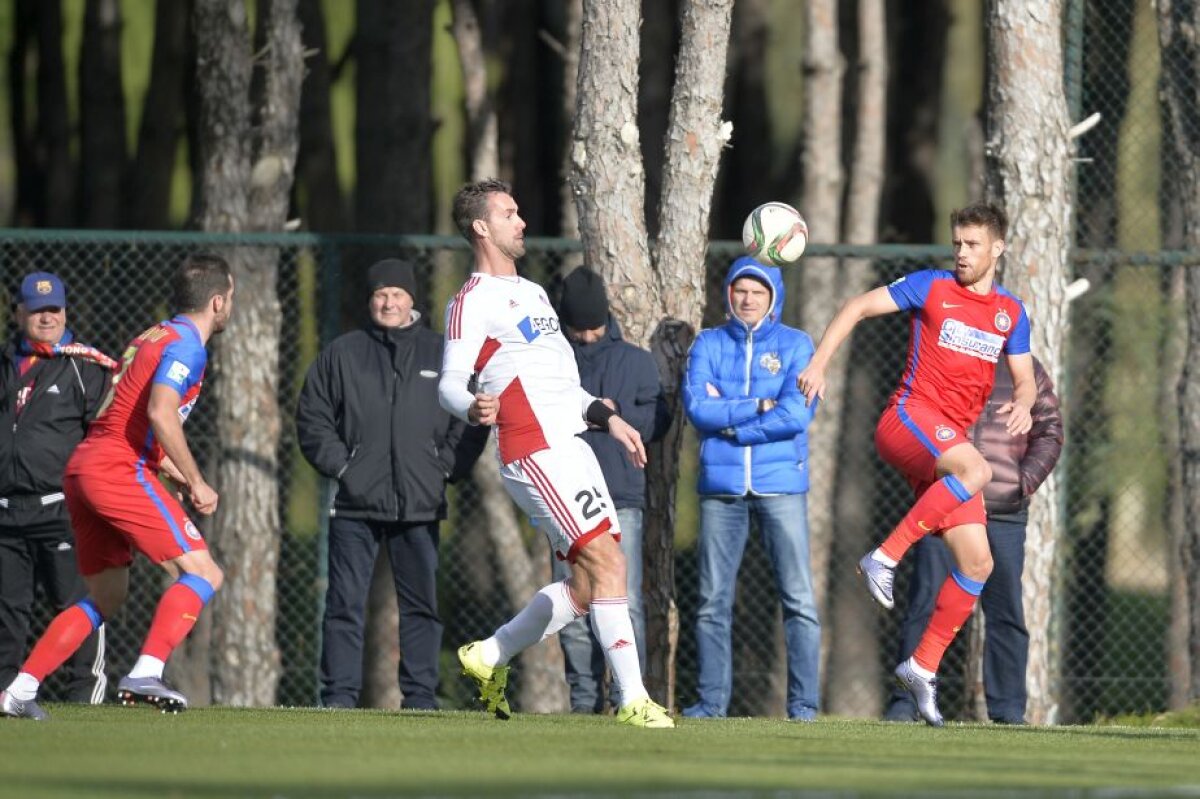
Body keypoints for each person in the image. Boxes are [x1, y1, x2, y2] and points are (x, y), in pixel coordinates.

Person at [438, 178, 673, 728]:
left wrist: (610, 419)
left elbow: (563, 386)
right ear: (481, 227)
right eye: (509, 213)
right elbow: (448, 382)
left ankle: (490, 653)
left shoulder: (536, 293)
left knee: (590, 585)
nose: (521, 222)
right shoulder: (470, 302)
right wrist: (471, 406)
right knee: (611, 563)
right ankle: (633, 700)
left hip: (571, 443)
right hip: (533, 449)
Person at [798, 203, 1036, 727]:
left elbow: (1025, 377)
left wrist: (1023, 400)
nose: (962, 253)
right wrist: (818, 362)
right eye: (957, 243)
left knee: (978, 564)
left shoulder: (1011, 313)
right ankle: (883, 556)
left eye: (973, 244)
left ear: (998, 248)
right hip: (909, 419)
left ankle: (921, 666)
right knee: (976, 471)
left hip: (947, 448)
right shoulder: (930, 286)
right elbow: (856, 306)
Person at [0, 254, 234, 720]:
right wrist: (196, 480)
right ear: (217, 301)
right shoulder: (188, 346)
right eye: (231, 299)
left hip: (82, 470)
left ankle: (18, 690)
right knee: (205, 573)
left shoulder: (152, 336)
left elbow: (122, 420)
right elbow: (160, 414)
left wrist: (171, 472)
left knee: (104, 597)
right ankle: (146, 671)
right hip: (117, 470)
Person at [296, 258, 487, 710]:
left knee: (420, 607)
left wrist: (444, 468)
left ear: (412, 300)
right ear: (370, 300)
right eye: (381, 295)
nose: (388, 302)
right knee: (344, 604)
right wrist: (345, 469)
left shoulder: (442, 354)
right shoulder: (342, 354)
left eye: (397, 295)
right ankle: (339, 697)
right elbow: (313, 418)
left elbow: (473, 416)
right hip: (356, 505)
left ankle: (421, 698)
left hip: (420, 504)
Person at [884, 355, 1062, 725]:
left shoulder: (1026, 370)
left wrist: (1021, 482)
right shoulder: (941, 361)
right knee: (925, 601)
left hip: (1004, 510)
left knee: (1005, 610)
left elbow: (1049, 431)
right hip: (950, 507)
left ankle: (1009, 710)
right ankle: (905, 703)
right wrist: (933, 485)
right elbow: (912, 426)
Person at [680, 257, 822, 722]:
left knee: (798, 600)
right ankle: (710, 704)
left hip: (781, 489)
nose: (747, 299)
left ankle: (803, 707)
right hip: (721, 489)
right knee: (711, 602)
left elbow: (796, 415)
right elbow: (699, 409)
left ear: (773, 298)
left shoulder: (797, 346)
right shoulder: (708, 343)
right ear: (728, 294)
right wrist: (760, 404)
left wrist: (737, 427)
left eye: (757, 292)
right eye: (740, 290)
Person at [550, 266, 667, 714]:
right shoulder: (556, 361)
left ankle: (628, 695)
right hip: (565, 498)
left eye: (593, 326)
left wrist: (617, 417)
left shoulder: (635, 361)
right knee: (573, 602)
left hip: (622, 497)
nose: (586, 336)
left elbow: (658, 419)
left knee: (626, 601)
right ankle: (583, 699)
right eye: (577, 328)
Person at [0, 272, 116, 705]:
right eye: (36, 309)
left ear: (65, 311)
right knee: (7, 612)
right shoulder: (5, 362)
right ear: (18, 313)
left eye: (53, 309)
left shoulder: (84, 367)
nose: (46, 317)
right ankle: (6, 697)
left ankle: (85, 696)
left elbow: (106, 440)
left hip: (61, 510)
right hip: (7, 511)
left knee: (76, 606)